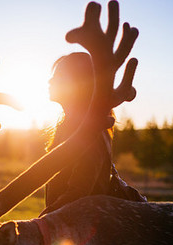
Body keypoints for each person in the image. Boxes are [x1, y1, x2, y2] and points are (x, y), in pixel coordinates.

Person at [41, 52, 145, 217]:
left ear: (79, 83)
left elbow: (78, 193)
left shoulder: (91, 129)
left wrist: (42, 222)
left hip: (78, 229)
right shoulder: (68, 126)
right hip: (65, 226)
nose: (50, 80)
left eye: (59, 75)